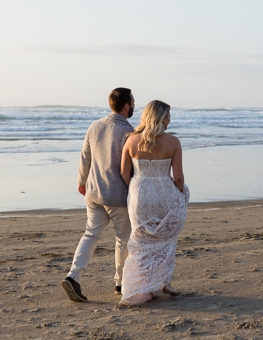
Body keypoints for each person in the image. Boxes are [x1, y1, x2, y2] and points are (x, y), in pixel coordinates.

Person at [62, 87, 135, 302]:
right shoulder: (129, 132)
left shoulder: (94, 126)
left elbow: (85, 157)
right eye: (132, 101)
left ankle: (73, 276)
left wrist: (81, 181)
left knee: (91, 234)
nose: (133, 105)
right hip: (117, 195)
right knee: (123, 239)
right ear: (126, 105)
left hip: (93, 191)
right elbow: (130, 167)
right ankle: (120, 282)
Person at [118, 100, 190, 306]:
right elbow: (178, 178)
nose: (170, 119)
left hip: (139, 192)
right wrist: (180, 194)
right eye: (168, 115)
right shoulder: (173, 142)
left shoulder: (131, 140)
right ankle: (164, 282)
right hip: (164, 193)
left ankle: (143, 287)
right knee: (166, 236)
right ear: (159, 117)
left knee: (141, 240)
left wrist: (135, 186)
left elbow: (124, 172)